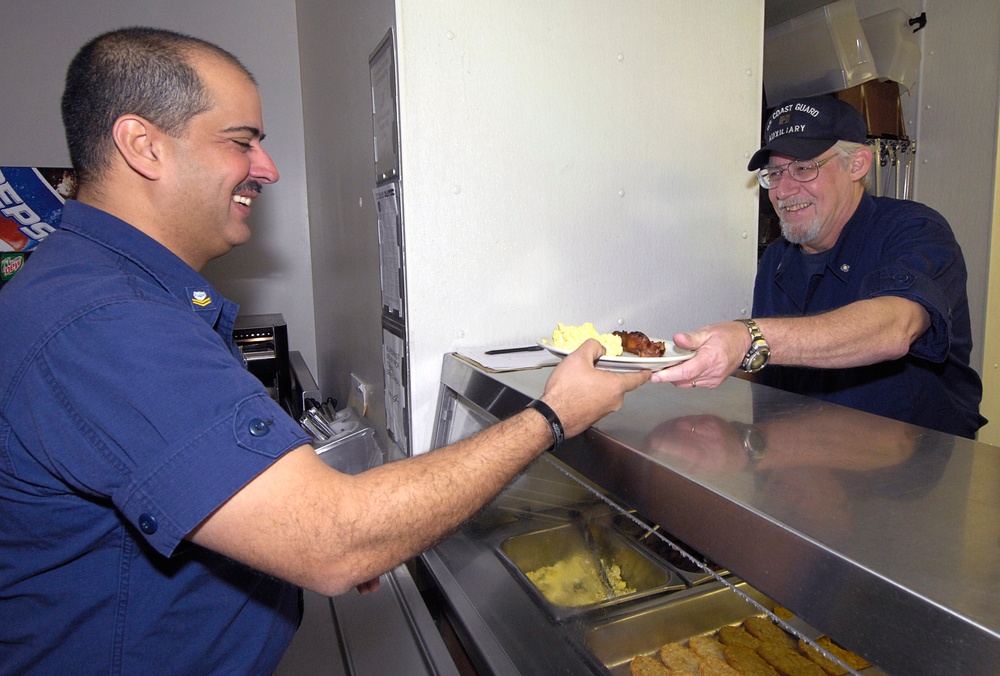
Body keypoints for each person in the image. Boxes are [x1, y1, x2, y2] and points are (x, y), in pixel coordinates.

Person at [0, 27, 649, 673]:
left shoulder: (98, 288)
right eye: (242, 141)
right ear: (143, 146)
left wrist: (288, 548)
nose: (268, 169)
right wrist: (553, 414)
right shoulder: (109, 322)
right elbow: (334, 541)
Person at [653, 95, 985, 439]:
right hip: (797, 463)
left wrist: (748, 337)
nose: (784, 189)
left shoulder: (914, 230)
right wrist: (691, 364)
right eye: (775, 173)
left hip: (911, 479)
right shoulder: (777, 260)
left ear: (856, 164)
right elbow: (773, 372)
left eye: (804, 168)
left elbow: (896, 327)